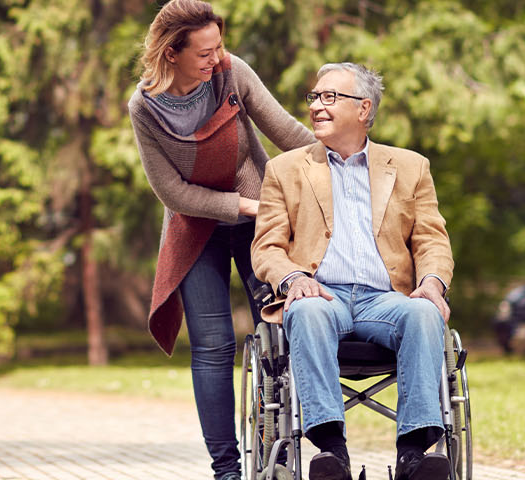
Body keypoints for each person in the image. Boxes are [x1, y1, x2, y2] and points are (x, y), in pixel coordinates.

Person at [129, 0, 316, 478]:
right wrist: (248, 205)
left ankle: (276, 446)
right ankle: (227, 469)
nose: (216, 59)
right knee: (213, 347)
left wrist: (350, 161)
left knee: (278, 330)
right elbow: (172, 191)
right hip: (195, 227)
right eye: (204, 52)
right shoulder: (144, 108)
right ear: (171, 53)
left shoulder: (232, 74)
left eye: (218, 47)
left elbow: (287, 133)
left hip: (259, 223)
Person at [250, 62, 455, 480]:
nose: (316, 107)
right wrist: (294, 279)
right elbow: (267, 247)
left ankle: (414, 455)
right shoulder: (285, 170)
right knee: (305, 311)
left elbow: (432, 240)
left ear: (363, 109)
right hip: (321, 295)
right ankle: (331, 454)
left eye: (330, 98)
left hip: (387, 300)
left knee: (424, 313)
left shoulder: (411, 167)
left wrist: (432, 283)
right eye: (315, 98)